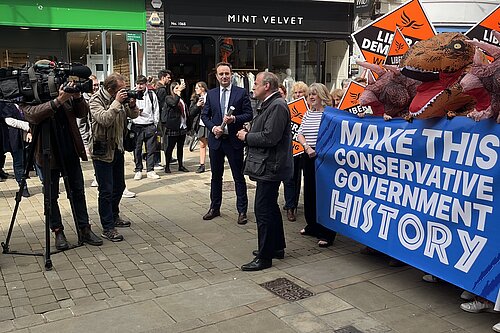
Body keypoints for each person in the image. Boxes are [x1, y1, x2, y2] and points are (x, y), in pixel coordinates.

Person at [21, 79, 103, 250]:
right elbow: (31, 114)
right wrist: (59, 100)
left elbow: (81, 113)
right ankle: (58, 232)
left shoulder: (65, 90)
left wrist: (78, 96)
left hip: (69, 150)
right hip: (46, 153)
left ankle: (84, 229)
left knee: (78, 191)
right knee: (50, 196)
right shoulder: (30, 92)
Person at [237, 71, 293, 271]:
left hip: (271, 166)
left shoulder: (277, 106)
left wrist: (247, 136)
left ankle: (265, 256)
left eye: (256, 84)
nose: (253, 87)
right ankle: (275, 247)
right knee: (270, 207)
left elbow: (271, 137)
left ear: (267, 86)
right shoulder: (271, 104)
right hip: (268, 165)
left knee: (262, 210)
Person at [89, 72, 140, 242]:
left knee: (119, 186)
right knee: (106, 190)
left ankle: (114, 214)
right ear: (111, 89)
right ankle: (107, 227)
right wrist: (117, 102)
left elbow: (133, 116)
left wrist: (132, 105)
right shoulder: (96, 100)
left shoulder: (121, 99)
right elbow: (104, 119)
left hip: (118, 148)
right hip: (102, 151)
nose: (124, 92)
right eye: (121, 89)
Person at [201, 62, 253, 224]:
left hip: (233, 141)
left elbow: (249, 114)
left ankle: (242, 211)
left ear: (231, 75)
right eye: (221, 74)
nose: (224, 76)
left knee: (238, 176)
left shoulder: (241, 93)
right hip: (216, 141)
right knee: (216, 176)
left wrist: (235, 119)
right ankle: (214, 208)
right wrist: (213, 127)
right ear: (216, 76)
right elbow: (205, 115)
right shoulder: (211, 94)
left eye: (227, 74)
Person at [296, 83, 337, 247]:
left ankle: (327, 232)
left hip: (324, 159)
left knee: (324, 194)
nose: (311, 97)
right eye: (310, 94)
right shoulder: (307, 114)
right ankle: (312, 225)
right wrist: (307, 147)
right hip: (308, 156)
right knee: (310, 192)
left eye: (315, 94)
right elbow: (300, 133)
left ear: (322, 95)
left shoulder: (330, 115)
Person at [282, 81, 309, 222]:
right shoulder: (287, 108)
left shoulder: (310, 109)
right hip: (291, 149)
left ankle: (297, 204)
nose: (298, 95)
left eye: (301, 92)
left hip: (305, 148)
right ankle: (290, 206)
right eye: (296, 93)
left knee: (301, 179)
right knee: (290, 178)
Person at [131, 75, 160, 180]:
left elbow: (156, 109)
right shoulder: (132, 94)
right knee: (137, 149)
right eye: (138, 84)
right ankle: (138, 169)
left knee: (151, 149)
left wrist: (155, 123)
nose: (139, 86)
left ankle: (150, 170)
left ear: (145, 84)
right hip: (137, 125)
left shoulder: (152, 94)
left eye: (141, 84)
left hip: (149, 124)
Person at [1, 102, 32, 197]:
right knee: (18, 163)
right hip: (9, 137)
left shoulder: (24, 102)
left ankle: (23, 186)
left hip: (19, 137)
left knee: (20, 162)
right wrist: (28, 126)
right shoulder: (4, 103)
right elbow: (9, 120)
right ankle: (22, 186)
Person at [161, 81, 190, 173]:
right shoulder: (168, 98)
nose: (178, 90)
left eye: (179, 88)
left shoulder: (181, 99)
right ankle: (167, 166)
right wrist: (178, 94)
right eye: (176, 88)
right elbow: (173, 104)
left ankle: (181, 165)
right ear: (172, 89)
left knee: (180, 147)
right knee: (170, 147)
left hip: (182, 125)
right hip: (173, 126)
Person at [189, 81, 209, 173]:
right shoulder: (195, 98)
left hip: (209, 123)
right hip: (200, 124)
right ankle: (202, 165)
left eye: (198, 87)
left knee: (212, 145)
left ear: (203, 88)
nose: (196, 89)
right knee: (202, 144)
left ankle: (216, 162)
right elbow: (191, 113)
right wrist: (197, 106)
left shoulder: (210, 97)